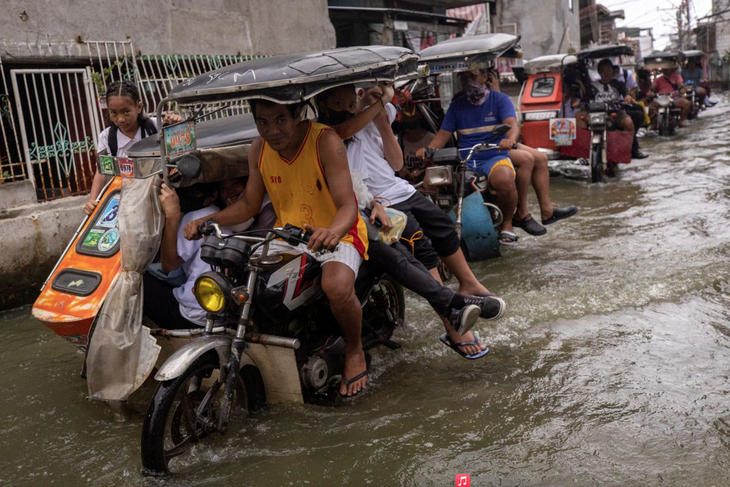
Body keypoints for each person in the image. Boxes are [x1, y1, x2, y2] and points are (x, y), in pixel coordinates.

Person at [183, 99, 370, 398]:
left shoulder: (326, 141)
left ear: (297, 114)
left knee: (335, 286)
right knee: (242, 282)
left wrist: (332, 232)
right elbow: (248, 204)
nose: (272, 130)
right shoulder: (259, 148)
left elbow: (348, 205)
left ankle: (354, 349)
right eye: (263, 122)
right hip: (288, 235)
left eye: (280, 119)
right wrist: (208, 220)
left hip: (338, 232)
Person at [317, 84, 503, 357]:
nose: (346, 111)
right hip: (376, 203)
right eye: (338, 105)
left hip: (398, 190)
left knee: (444, 227)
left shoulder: (367, 124)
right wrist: (376, 107)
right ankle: (452, 322)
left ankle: (468, 282)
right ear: (323, 107)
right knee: (421, 249)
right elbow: (352, 180)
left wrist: (379, 119)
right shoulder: (330, 136)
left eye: (349, 104)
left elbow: (395, 163)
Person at [417, 67, 577, 244]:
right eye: (463, 77)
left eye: (472, 76)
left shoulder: (500, 99)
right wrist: (427, 150)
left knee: (505, 178)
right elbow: (442, 136)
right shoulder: (457, 106)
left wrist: (509, 139)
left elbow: (512, 125)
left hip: (493, 155)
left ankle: (508, 223)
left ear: (485, 77)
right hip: (467, 159)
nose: (467, 81)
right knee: (430, 182)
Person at [84, 81, 181, 215]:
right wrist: (92, 200)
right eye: (114, 113)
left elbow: (178, 150)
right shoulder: (107, 137)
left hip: (158, 199)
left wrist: (175, 125)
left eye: (126, 111)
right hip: (126, 204)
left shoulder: (155, 126)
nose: (121, 119)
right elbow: (101, 172)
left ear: (139, 107)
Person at [143, 182, 221, 329]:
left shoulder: (195, 218)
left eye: (196, 192)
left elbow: (168, 265)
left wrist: (172, 215)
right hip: (220, 310)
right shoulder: (223, 216)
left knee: (138, 281)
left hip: (193, 314)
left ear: (212, 196)